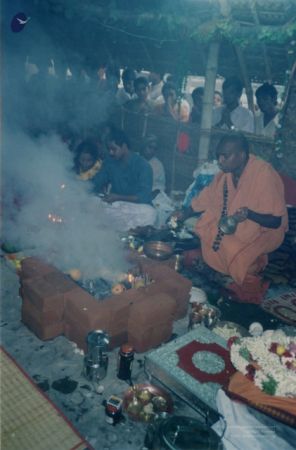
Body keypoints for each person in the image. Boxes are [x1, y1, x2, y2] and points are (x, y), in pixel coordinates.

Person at [176, 133, 288, 303]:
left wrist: (250, 214)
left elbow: (276, 221)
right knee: (208, 227)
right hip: (237, 222)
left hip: (265, 230)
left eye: (225, 156)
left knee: (231, 247)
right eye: (218, 156)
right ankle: (231, 265)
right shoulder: (225, 175)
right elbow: (206, 197)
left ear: (241, 155)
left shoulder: (263, 174)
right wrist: (184, 213)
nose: (220, 160)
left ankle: (254, 265)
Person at [93, 128, 156, 230]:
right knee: (92, 202)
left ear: (124, 146)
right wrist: (78, 188)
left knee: (150, 213)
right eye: (109, 149)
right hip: (115, 206)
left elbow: (144, 197)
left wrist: (118, 197)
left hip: (135, 209)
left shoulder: (143, 166)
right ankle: (119, 227)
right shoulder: (109, 162)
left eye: (114, 149)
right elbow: (96, 183)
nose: (111, 152)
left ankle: (120, 227)